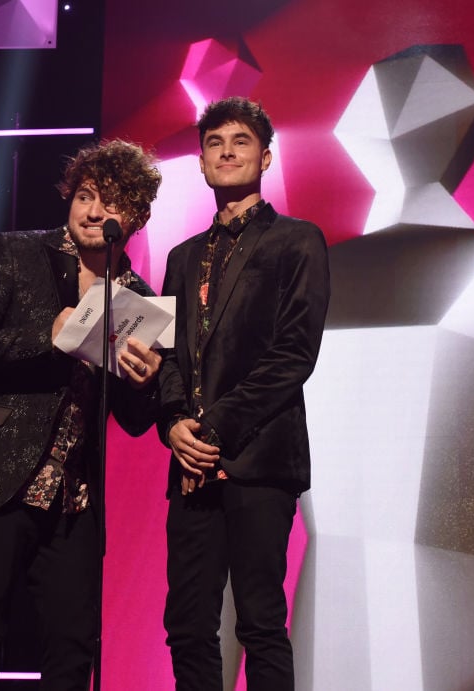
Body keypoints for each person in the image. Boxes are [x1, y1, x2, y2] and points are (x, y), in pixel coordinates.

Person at [0, 139, 163, 690]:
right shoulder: (16, 252)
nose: (94, 212)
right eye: (85, 196)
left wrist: (144, 382)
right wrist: (44, 338)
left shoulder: (138, 299)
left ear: (136, 216)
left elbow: (132, 419)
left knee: (73, 648)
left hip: (73, 498)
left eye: (111, 202)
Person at [157, 97, 330, 690]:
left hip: (258, 457)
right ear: (202, 162)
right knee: (187, 625)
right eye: (214, 143)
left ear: (266, 157)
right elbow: (167, 355)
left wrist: (214, 427)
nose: (227, 152)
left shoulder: (297, 240)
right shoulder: (181, 258)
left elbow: (294, 354)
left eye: (241, 141)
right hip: (191, 463)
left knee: (259, 620)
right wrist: (173, 423)